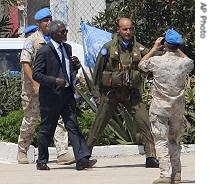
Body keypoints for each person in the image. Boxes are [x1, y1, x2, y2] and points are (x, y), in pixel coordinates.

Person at [87, 17, 159, 168]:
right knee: (99, 123)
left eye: (130, 29)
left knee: (144, 122)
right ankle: (85, 154)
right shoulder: (107, 48)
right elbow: (97, 72)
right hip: (111, 93)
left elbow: (150, 59)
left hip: (131, 93)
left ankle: (151, 156)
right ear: (118, 30)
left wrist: (159, 49)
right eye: (125, 29)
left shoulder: (138, 48)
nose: (128, 32)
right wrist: (96, 94)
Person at [32, 20, 97, 170]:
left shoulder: (67, 48)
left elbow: (68, 70)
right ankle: (41, 161)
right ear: (54, 34)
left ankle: (82, 159)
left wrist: (75, 67)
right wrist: (55, 80)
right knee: (47, 128)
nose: (65, 34)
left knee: (73, 125)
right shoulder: (44, 51)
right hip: (51, 96)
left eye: (66, 31)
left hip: (67, 95)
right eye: (63, 32)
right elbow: (37, 74)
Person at [17, 7, 74, 165]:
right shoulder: (32, 40)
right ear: (38, 23)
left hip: (53, 88)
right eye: (45, 21)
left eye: (50, 19)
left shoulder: (56, 39)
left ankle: (62, 152)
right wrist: (35, 84)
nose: (48, 22)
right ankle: (22, 150)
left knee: (59, 119)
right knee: (31, 119)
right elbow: (26, 63)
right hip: (33, 89)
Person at [139, 29, 194, 184]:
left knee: (161, 140)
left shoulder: (157, 61)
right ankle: (177, 174)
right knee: (175, 141)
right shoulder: (184, 63)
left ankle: (164, 175)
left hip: (159, 108)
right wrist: (178, 49)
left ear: (165, 44)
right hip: (177, 108)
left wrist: (155, 48)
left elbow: (141, 64)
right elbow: (190, 62)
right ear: (177, 45)